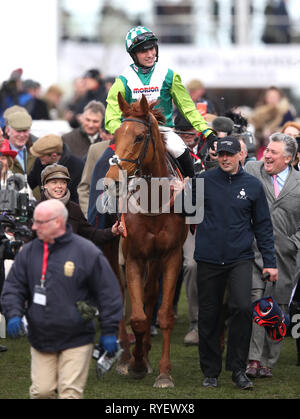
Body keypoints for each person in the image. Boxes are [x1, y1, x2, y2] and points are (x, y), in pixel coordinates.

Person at [1, 199, 123, 399]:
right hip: (41, 337)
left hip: (77, 338)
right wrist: (13, 314)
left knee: (70, 394)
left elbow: (108, 293)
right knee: (42, 392)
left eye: (40, 222)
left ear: (57, 222)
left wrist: (109, 330)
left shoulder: (86, 252)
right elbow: (13, 286)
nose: (33, 226)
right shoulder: (30, 252)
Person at [194, 136, 278, 389]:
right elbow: (186, 214)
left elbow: (263, 226)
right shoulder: (202, 181)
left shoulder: (253, 185)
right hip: (208, 259)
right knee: (209, 315)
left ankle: (238, 369)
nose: (225, 159)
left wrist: (270, 262)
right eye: (221, 155)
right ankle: (210, 371)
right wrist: (179, 195)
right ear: (215, 156)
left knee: (243, 309)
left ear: (241, 155)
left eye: (230, 154)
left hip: (240, 259)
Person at [105, 26, 217, 178]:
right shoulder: (122, 81)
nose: (150, 54)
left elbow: (188, 108)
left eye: (152, 49)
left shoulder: (169, 76)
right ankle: (108, 199)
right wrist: (125, 133)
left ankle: (194, 193)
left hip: (164, 132)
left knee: (180, 151)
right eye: (144, 51)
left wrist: (206, 131)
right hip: (133, 136)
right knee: (105, 161)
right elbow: (111, 116)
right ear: (133, 54)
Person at [245, 132, 300, 379]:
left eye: (273, 152)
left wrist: (293, 243)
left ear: (288, 159)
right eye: (266, 149)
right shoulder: (251, 169)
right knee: (258, 302)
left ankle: (269, 361)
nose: (266, 154)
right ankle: (253, 360)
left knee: (278, 307)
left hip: (287, 257)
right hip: (254, 252)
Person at [40, 163, 123, 245]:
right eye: (54, 182)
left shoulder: (74, 209)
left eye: (63, 182)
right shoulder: (35, 209)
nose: (59, 186)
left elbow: (91, 235)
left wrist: (111, 231)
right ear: (45, 185)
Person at [28, 134, 84, 203]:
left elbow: (80, 196)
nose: (40, 160)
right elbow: (30, 182)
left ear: (54, 156)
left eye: (41, 157)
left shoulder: (77, 166)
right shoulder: (39, 162)